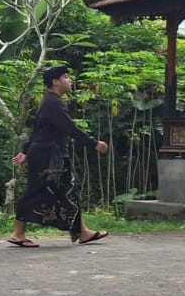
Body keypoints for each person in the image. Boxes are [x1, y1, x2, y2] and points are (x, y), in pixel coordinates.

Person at [8, 65, 111, 247]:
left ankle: (82, 232)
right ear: (55, 81)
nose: (69, 80)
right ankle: (18, 233)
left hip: (49, 154)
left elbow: (37, 130)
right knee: (38, 191)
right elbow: (69, 128)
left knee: (68, 191)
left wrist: (25, 151)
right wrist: (94, 143)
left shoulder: (50, 102)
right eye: (65, 77)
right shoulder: (53, 103)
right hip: (48, 156)